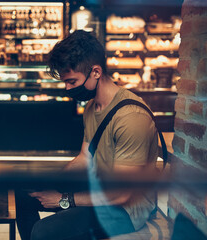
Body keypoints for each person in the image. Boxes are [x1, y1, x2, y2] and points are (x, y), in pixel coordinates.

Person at [15, 30, 159, 240]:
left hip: (126, 210)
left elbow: (121, 194)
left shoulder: (131, 117)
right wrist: (53, 180)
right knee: (24, 193)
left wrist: (63, 199)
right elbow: (85, 158)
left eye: (72, 82)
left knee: (44, 231)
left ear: (96, 72)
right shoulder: (93, 106)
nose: (67, 88)